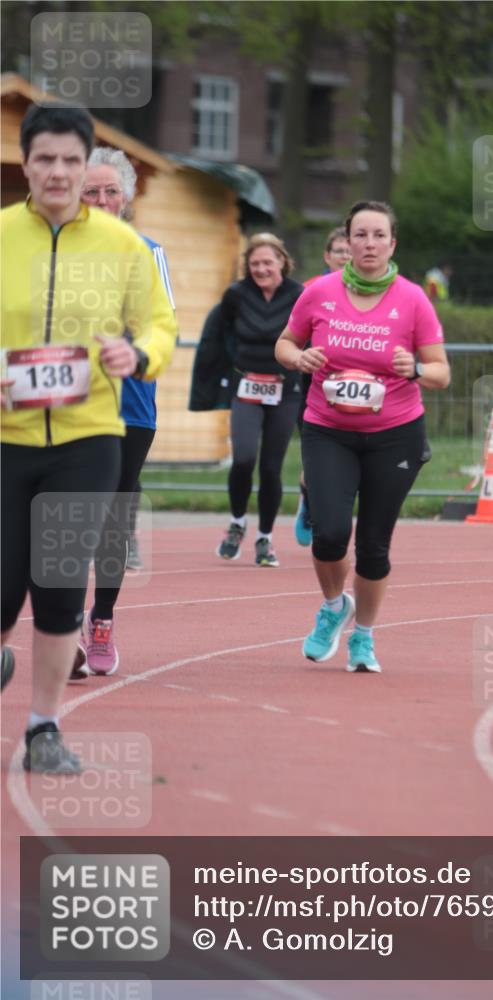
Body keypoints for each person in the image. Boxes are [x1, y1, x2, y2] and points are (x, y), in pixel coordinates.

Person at [0, 103, 177, 771]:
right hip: (7, 437)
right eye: (45, 158)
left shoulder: (123, 246)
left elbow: (160, 324)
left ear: (85, 166)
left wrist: (140, 354)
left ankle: (43, 729)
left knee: (59, 582)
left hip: (88, 437)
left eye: (70, 160)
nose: (58, 172)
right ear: (25, 163)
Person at [276, 200, 450, 673]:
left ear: (392, 244)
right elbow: (285, 342)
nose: (369, 244)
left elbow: (441, 372)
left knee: (374, 545)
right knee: (329, 533)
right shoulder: (319, 292)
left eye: (378, 236)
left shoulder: (413, 299)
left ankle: (364, 638)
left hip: (395, 435)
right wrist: (299, 358)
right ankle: (334, 606)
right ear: (347, 242)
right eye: (360, 235)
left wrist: (415, 369)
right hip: (328, 431)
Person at [72, 146, 176, 678]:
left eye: (111, 191)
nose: (101, 199)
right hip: (68, 402)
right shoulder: (57, 251)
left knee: (114, 516)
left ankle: (103, 618)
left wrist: (130, 346)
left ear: (127, 197)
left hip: (131, 406)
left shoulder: (148, 252)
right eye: (91, 191)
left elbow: (163, 325)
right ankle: (65, 623)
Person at [192, 234, 303, 567]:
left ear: (282, 261)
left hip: (285, 389)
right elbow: (218, 334)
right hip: (247, 387)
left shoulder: (299, 295)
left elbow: (313, 333)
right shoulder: (237, 295)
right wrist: (217, 377)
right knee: (243, 458)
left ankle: (265, 538)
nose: (261, 269)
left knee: (270, 467)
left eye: (267, 262)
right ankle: (237, 523)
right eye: (254, 263)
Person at [295, 227, 351, 546]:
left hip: (355, 383)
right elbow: (290, 333)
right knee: (318, 461)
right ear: (327, 256)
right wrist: (303, 355)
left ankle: (331, 513)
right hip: (313, 385)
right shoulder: (310, 289)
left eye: (349, 251)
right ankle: (310, 499)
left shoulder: (370, 291)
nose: (345, 257)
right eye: (339, 251)